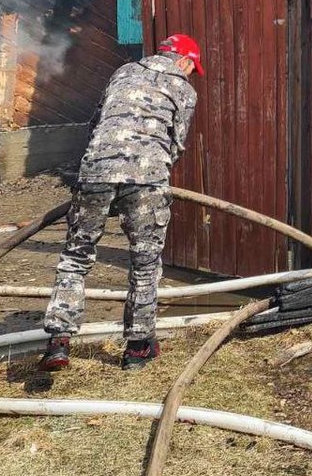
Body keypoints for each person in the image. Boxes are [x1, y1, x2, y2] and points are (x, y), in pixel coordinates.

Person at [38, 34, 203, 372]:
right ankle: (138, 349)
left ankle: (58, 342)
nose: (191, 73)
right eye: (192, 67)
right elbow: (177, 144)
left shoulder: (124, 71)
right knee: (144, 263)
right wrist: (148, 172)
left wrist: (105, 173)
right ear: (184, 61)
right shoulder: (184, 89)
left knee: (75, 257)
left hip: (96, 169)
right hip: (146, 178)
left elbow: (97, 123)